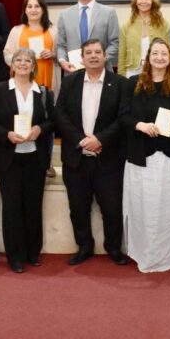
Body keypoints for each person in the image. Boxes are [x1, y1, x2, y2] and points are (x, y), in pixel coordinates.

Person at [53, 38, 128, 266]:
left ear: (105, 56)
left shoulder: (120, 83)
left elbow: (123, 118)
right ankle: (84, 246)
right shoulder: (70, 82)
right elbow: (60, 115)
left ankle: (113, 248)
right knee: (78, 208)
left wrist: (100, 139)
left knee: (112, 209)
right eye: (89, 53)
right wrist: (81, 140)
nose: (93, 56)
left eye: (97, 52)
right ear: (82, 58)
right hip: (76, 158)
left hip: (108, 159)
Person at [120, 38, 170, 272]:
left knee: (168, 211)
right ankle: (143, 254)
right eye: (155, 53)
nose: (159, 57)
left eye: (164, 53)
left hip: (169, 159)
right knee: (143, 209)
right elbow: (122, 117)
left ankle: (166, 255)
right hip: (141, 158)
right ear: (148, 58)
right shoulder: (133, 84)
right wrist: (140, 125)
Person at [0, 48, 54, 273]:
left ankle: (33, 252)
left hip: (35, 157)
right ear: (12, 65)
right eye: (19, 60)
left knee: (33, 206)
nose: (23, 63)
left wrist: (39, 128)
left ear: (34, 66)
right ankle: (15, 256)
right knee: (12, 207)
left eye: (28, 60)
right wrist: (7, 134)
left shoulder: (43, 92)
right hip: (8, 159)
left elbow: (52, 122)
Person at [3, 0, 60, 177]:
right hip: (23, 84)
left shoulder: (53, 31)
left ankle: (47, 162)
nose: (33, 10)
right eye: (30, 6)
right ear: (25, 10)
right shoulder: (17, 31)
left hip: (46, 84)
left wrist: (53, 55)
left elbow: (62, 55)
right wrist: (20, 60)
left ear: (43, 9)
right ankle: (19, 156)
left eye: (37, 6)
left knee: (46, 125)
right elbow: (7, 53)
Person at [57, 0, 120, 72]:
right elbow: (61, 45)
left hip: (101, 71)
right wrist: (62, 61)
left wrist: (101, 59)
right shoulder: (64, 15)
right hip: (73, 71)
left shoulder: (109, 13)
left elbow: (115, 43)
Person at [118, 0, 170, 78]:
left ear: (153, 1)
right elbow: (121, 57)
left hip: (157, 73)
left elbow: (169, 54)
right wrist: (121, 79)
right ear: (136, 0)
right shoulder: (126, 27)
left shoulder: (163, 25)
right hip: (131, 73)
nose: (144, 1)